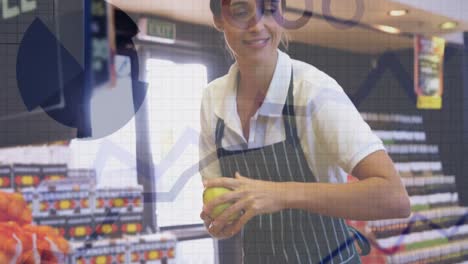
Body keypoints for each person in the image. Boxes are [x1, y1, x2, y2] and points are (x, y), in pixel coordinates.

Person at [199, 0, 411, 263]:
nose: (257, 25)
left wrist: (280, 194)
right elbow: (220, 196)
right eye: (242, 12)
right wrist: (220, 220)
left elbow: (394, 198)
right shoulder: (213, 99)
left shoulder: (313, 91)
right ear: (219, 19)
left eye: (269, 10)